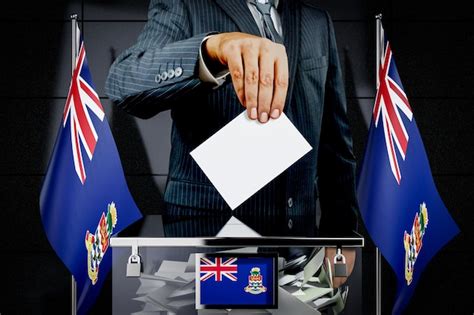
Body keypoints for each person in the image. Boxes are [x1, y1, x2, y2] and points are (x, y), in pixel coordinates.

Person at [106, 0, 359, 288]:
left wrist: (342, 236)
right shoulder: (185, 6)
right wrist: (213, 50)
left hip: (300, 249)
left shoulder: (317, 21)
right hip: (214, 245)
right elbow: (125, 81)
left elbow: (335, 141)